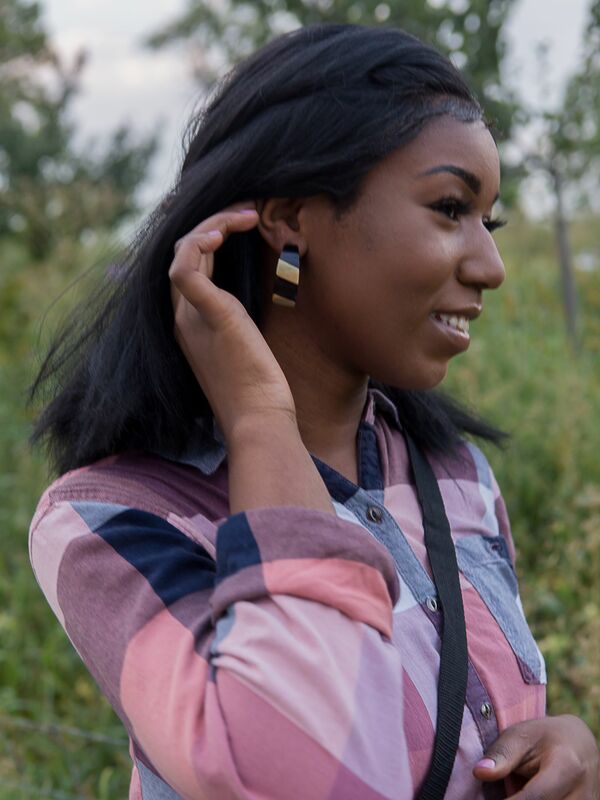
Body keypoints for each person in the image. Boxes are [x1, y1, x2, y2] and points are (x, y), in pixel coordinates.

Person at [28, 22, 599, 800]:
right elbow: (291, 768)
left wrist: (565, 746)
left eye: (487, 222)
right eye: (449, 208)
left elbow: (473, 730)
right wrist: (262, 419)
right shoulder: (113, 522)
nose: (491, 266)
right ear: (291, 219)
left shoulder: (456, 475)